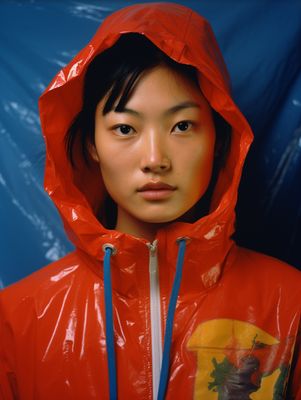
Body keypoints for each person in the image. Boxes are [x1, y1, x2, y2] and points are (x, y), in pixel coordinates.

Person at [0, 3, 300, 399]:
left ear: (220, 138)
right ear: (92, 144)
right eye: (125, 128)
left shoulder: (289, 302)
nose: (155, 159)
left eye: (182, 126)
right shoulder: (19, 318)